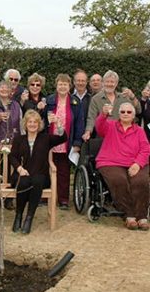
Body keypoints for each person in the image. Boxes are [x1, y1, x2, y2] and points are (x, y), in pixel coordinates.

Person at [9, 110, 67, 234]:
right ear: (25, 124)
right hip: (23, 173)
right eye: (30, 122)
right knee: (24, 182)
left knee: (37, 181)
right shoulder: (19, 139)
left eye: (35, 122)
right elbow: (12, 156)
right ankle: (18, 215)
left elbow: (63, 138)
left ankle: (29, 218)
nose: (32, 124)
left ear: (39, 124)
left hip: (40, 175)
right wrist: (19, 168)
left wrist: (58, 124)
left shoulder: (45, 138)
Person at [96, 102, 150, 230]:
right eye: (123, 112)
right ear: (118, 114)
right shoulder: (110, 125)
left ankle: (142, 216)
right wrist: (103, 114)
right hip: (110, 161)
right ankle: (129, 215)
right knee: (119, 180)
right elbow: (99, 127)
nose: (126, 114)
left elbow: (145, 149)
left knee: (141, 181)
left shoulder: (140, 131)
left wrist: (138, 163)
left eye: (129, 112)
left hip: (134, 162)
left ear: (134, 115)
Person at [46, 74, 84, 209]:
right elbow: (40, 120)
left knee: (64, 171)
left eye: (65, 84)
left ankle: (63, 200)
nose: (62, 87)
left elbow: (79, 123)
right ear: (56, 86)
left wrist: (78, 142)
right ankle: (48, 197)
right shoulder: (49, 100)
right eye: (60, 84)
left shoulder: (75, 102)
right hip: (50, 141)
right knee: (47, 169)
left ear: (69, 86)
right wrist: (47, 121)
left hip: (67, 142)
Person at [0, 80, 24, 211]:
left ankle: (8, 199)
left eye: (6, 88)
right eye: (1, 88)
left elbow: (21, 126)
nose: (4, 90)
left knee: (12, 172)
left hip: (14, 144)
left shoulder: (17, 106)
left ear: (11, 91)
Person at [83, 70, 141, 141]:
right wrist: (88, 132)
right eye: (107, 81)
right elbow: (91, 118)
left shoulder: (124, 97)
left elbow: (138, 110)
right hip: (104, 137)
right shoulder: (96, 99)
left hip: (123, 136)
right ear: (103, 83)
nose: (109, 84)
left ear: (116, 83)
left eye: (112, 82)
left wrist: (132, 97)